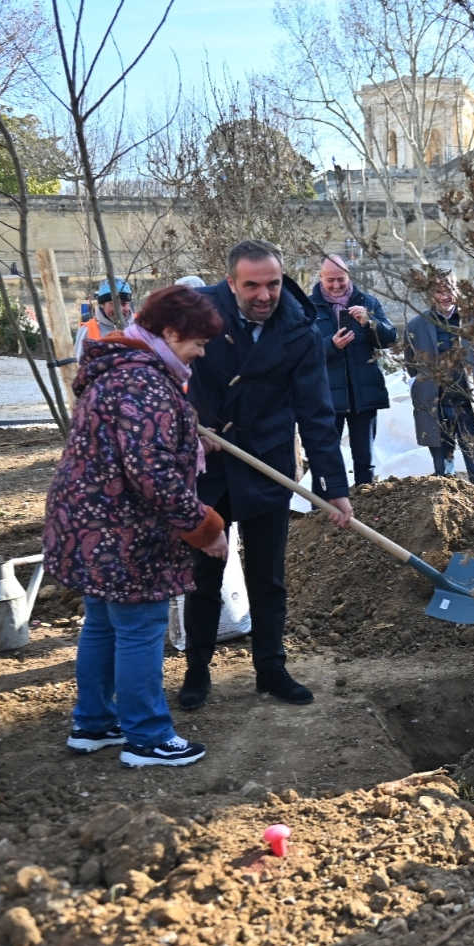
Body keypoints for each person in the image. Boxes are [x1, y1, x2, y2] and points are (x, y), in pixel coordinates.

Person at [44, 285, 228, 767]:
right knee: (141, 627)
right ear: (170, 332)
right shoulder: (143, 382)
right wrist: (205, 528)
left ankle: (94, 723)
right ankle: (147, 737)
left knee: (103, 623)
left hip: (88, 522)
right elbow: (153, 476)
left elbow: (131, 448)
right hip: (122, 532)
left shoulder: (122, 368)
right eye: (198, 342)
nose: (201, 352)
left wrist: (191, 445)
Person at [181, 239, 353, 711]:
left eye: (273, 283)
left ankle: (271, 671)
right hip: (207, 467)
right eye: (251, 285)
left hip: (266, 464)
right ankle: (196, 672)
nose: (264, 295)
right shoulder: (198, 313)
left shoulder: (299, 329)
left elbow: (317, 412)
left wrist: (333, 488)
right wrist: (189, 422)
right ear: (231, 281)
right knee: (203, 574)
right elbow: (165, 369)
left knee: (268, 577)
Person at [309, 254, 399, 489]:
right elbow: (299, 350)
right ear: (320, 278)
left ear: (348, 276)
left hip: (364, 395)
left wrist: (369, 323)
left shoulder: (369, 303)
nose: (336, 285)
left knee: (365, 460)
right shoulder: (307, 308)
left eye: (341, 279)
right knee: (325, 458)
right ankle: (321, 513)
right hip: (326, 398)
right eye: (330, 280)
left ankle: (365, 508)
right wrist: (330, 346)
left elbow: (390, 338)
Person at [405, 277, 474, 487]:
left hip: (470, 404)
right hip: (436, 404)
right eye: (438, 291)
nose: (444, 296)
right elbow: (410, 363)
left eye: (448, 290)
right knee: (443, 472)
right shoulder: (416, 325)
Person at [73, 278, 133, 360]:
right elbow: (78, 366)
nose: (120, 309)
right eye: (113, 304)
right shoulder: (87, 330)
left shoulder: (141, 325)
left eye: (124, 303)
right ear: (102, 305)